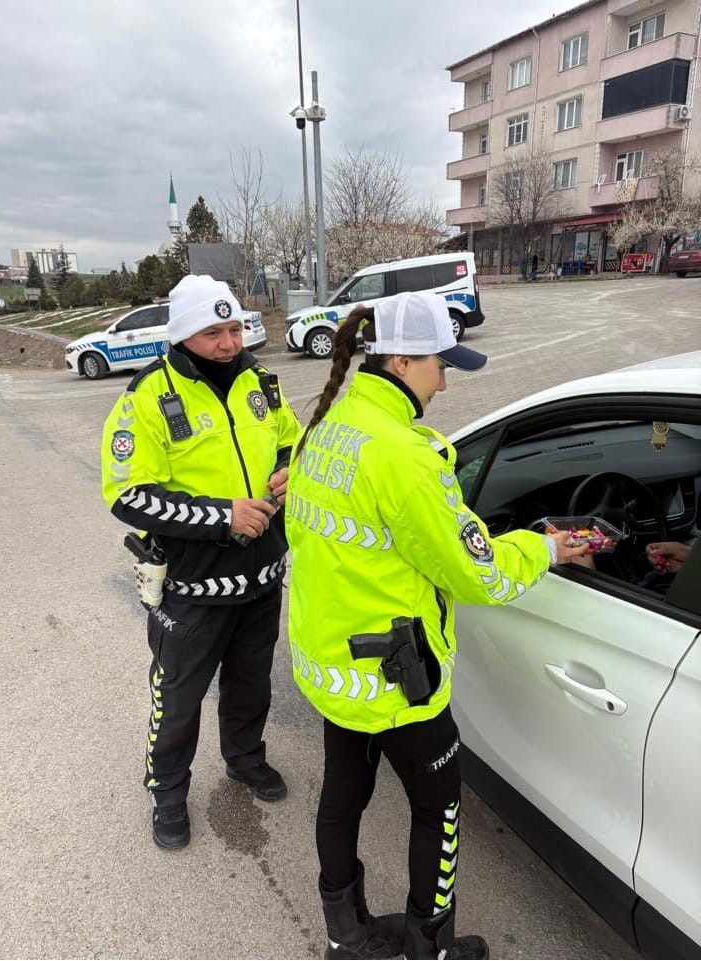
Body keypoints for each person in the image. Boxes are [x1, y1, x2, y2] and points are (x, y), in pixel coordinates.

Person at [284, 291, 589, 960]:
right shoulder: (407, 456)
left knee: (342, 797)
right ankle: (433, 947)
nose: (445, 379)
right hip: (400, 681)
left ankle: (347, 934)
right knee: (439, 807)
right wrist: (547, 547)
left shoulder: (329, 425)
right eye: (439, 363)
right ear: (400, 359)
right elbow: (477, 574)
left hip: (335, 668)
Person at [101, 274, 300, 850]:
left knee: (250, 684)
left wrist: (292, 467)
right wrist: (222, 516)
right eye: (213, 331)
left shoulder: (262, 381)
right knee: (178, 698)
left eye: (234, 327)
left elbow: (291, 437)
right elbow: (126, 493)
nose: (229, 342)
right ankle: (167, 793)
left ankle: (245, 759)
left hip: (262, 577)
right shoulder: (146, 398)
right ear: (184, 335)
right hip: (191, 589)